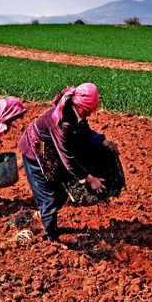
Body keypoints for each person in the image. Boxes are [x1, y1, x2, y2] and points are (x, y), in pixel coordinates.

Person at [18, 83, 108, 241]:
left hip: (49, 152)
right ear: (79, 105)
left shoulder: (75, 113)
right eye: (87, 111)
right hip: (35, 153)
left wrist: (103, 142)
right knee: (48, 198)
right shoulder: (62, 123)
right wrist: (89, 178)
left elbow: (84, 132)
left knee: (60, 195)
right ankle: (50, 239)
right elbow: (67, 157)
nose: (89, 114)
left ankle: (41, 216)